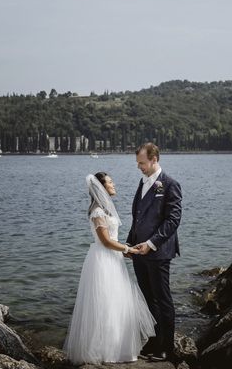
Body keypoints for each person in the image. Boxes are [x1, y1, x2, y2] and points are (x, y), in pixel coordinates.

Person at [63, 172, 155, 364]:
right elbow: (105, 241)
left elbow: (111, 240)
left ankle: (118, 348)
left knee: (116, 302)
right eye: (110, 182)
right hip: (103, 260)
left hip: (112, 258)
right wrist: (128, 248)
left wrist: (123, 252)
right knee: (105, 302)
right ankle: (105, 350)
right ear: (102, 187)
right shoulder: (97, 211)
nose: (114, 185)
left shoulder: (104, 209)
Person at [126, 143, 182, 362]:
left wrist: (151, 243)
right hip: (139, 252)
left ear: (154, 159)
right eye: (138, 163)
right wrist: (130, 245)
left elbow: (173, 220)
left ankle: (167, 347)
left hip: (158, 252)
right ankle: (154, 340)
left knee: (162, 299)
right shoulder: (142, 183)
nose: (139, 167)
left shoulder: (170, 184)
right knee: (148, 299)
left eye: (142, 163)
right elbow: (137, 217)